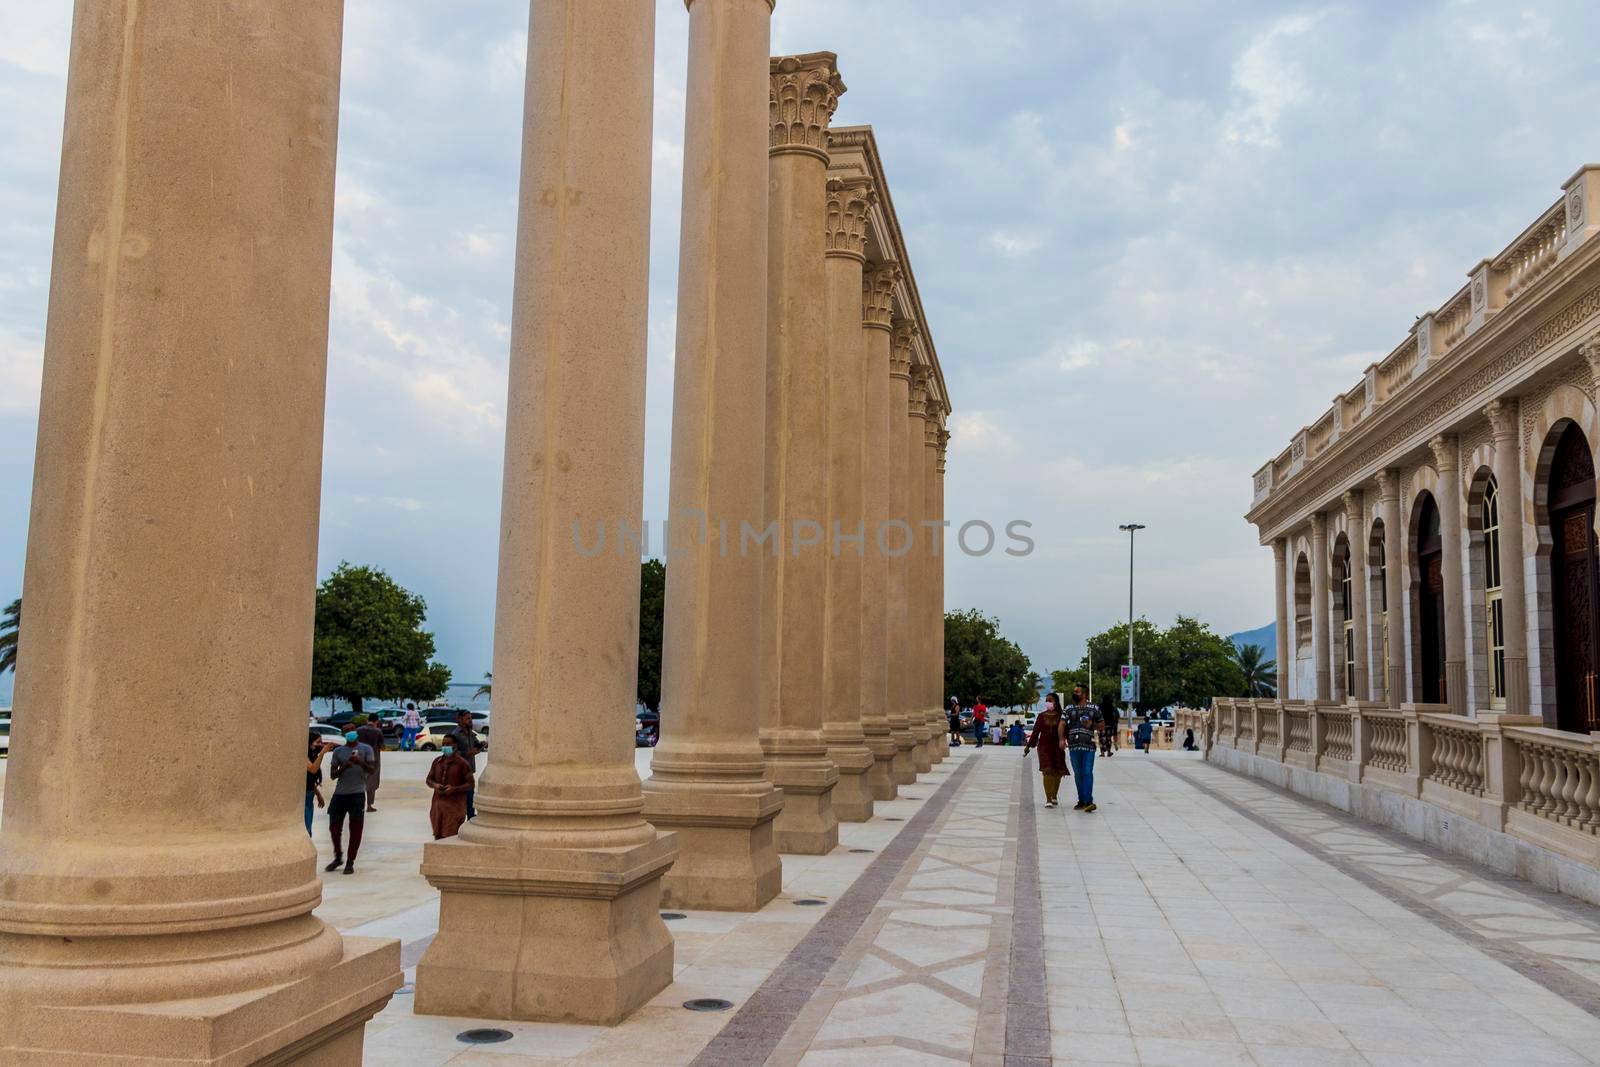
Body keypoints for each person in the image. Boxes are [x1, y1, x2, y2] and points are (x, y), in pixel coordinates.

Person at [327, 729, 375, 874]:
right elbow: (332, 775)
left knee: (356, 830)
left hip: (358, 793)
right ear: (344, 734)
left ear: (356, 732)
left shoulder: (366, 749)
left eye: (351, 730)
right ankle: (338, 856)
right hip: (340, 793)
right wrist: (345, 765)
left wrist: (360, 762)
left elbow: (372, 770)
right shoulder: (339, 751)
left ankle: (350, 861)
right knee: (334, 828)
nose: (349, 733)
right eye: (346, 731)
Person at [1023, 693, 1069, 807]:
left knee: (1057, 772)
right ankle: (1048, 799)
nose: (1048, 702)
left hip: (1057, 747)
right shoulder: (1041, 716)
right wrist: (1029, 746)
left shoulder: (1062, 716)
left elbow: (1066, 731)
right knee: (1047, 770)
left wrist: (1067, 742)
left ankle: (1054, 795)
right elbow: (1035, 732)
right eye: (1047, 700)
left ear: (1056, 702)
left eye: (1050, 700)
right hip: (1044, 747)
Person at [1065, 685, 1104, 811]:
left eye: (1077, 692)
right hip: (1073, 746)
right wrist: (1061, 739)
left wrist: (1091, 724)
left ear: (1085, 694)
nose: (1075, 693)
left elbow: (1102, 725)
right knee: (1078, 774)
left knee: (1087, 772)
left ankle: (1088, 801)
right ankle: (1081, 799)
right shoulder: (1069, 708)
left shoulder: (1094, 708)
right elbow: (1062, 723)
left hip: (1089, 746)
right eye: (1074, 691)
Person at [425, 742, 475, 839]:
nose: (445, 746)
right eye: (443, 743)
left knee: (450, 837)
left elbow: (470, 784)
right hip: (438, 806)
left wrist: (454, 789)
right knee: (437, 835)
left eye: (448, 744)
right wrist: (436, 785)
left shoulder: (463, 764)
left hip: (454, 807)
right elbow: (429, 780)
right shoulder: (437, 761)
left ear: (455, 747)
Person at [448, 710, 483, 819]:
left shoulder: (470, 733)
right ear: (460, 719)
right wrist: (467, 753)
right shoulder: (455, 734)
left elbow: (476, 745)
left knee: (470, 795)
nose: (470, 720)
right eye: (467, 718)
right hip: (459, 771)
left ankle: (470, 815)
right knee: (462, 795)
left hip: (469, 769)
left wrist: (480, 746)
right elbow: (450, 752)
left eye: (470, 718)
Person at [305, 729, 334, 835]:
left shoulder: (312, 755)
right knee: (306, 830)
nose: (320, 744)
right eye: (318, 742)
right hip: (304, 797)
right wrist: (322, 753)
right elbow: (312, 769)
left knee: (309, 828)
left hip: (309, 795)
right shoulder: (304, 755)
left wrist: (318, 794)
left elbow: (310, 779)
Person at [354, 714, 385, 812]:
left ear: (368, 720)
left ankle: (358, 805)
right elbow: (382, 746)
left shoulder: (358, 730)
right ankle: (369, 805)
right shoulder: (378, 731)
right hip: (373, 759)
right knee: (371, 783)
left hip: (360, 759)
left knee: (359, 781)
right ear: (376, 721)